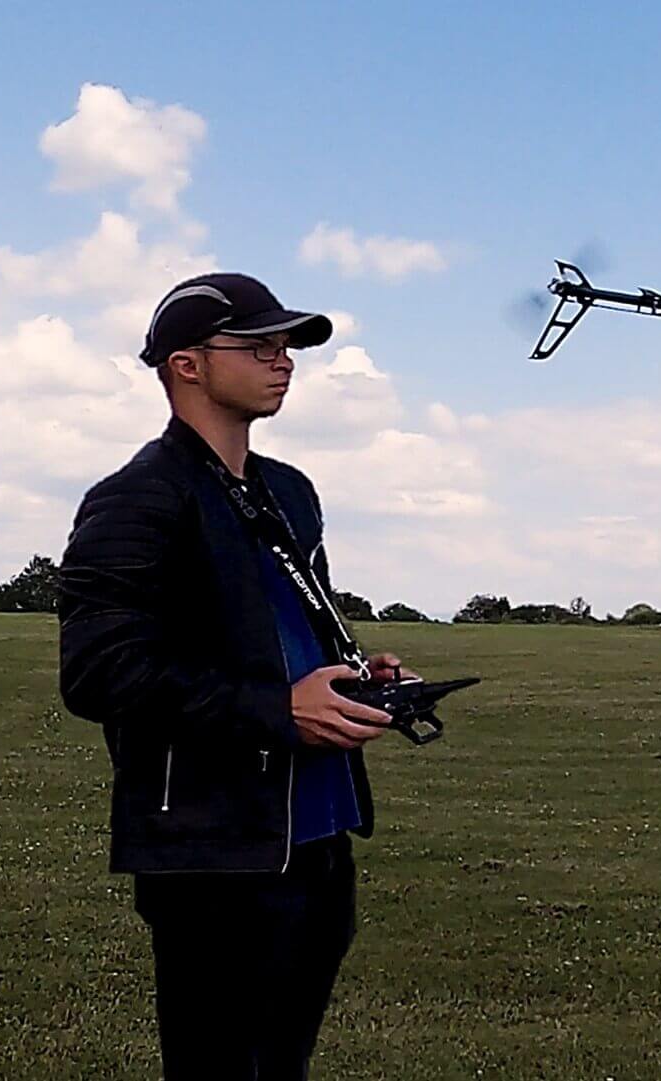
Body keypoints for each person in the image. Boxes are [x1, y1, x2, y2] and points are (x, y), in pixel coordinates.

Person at [56, 272, 412, 1079]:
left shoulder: (288, 491)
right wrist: (277, 708)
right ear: (186, 364)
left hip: (318, 834)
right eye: (257, 345)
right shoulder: (136, 498)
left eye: (286, 345)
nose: (282, 359)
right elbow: (98, 670)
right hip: (213, 850)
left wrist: (354, 676)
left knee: (281, 1064)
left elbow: (284, 629)